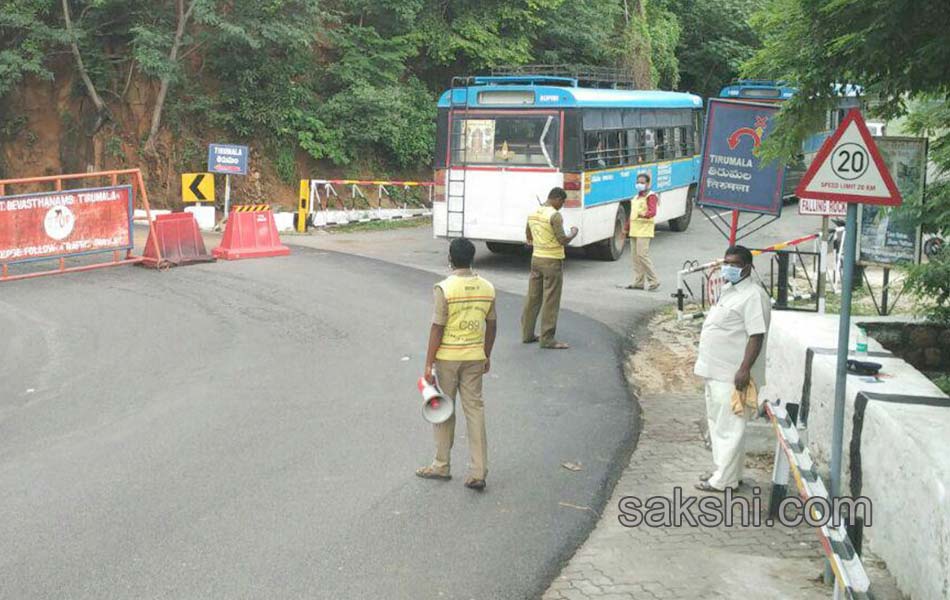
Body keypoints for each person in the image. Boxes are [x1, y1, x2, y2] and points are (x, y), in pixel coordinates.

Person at [417, 238, 497, 491]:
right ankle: (478, 471)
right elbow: (492, 324)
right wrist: (486, 354)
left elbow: (437, 327)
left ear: (450, 258)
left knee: (444, 410)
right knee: (475, 410)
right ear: (472, 258)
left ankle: (441, 465)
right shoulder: (487, 287)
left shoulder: (444, 288)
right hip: (474, 357)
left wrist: (428, 366)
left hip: (448, 359)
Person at [693, 246, 771, 492]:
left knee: (729, 428)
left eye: (735, 264)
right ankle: (727, 473)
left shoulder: (753, 295)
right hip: (715, 371)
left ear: (747, 268)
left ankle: (723, 481)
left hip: (732, 374)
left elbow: (756, 336)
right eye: (726, 262)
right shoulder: (730, 290)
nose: (728, 267)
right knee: (719, 424)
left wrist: (744, 369)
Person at [522, 187, 578, 350]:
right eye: (562, 202)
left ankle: (527, 334)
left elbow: (528, 235)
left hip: (536, 258)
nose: (561, 205)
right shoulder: (554, 215)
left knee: (533, 297)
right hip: (552, 261)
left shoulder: (533, 213)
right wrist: (573, 233)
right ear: (558, 199)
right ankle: (547, 338)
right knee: (551, 300)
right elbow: (562, 239)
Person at [626, 173, 660, 291]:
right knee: (635, 257)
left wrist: (644, 215)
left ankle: (654, 280)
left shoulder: (651, 196)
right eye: (638, 182)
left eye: (642, 182)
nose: (639, 185)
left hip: (644, 230)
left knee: (642, 255)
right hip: (634, 230)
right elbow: (632, 214)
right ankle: (638, 282)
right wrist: (626, 227)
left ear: (648, 184)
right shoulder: (636, 198)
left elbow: (652, 211)